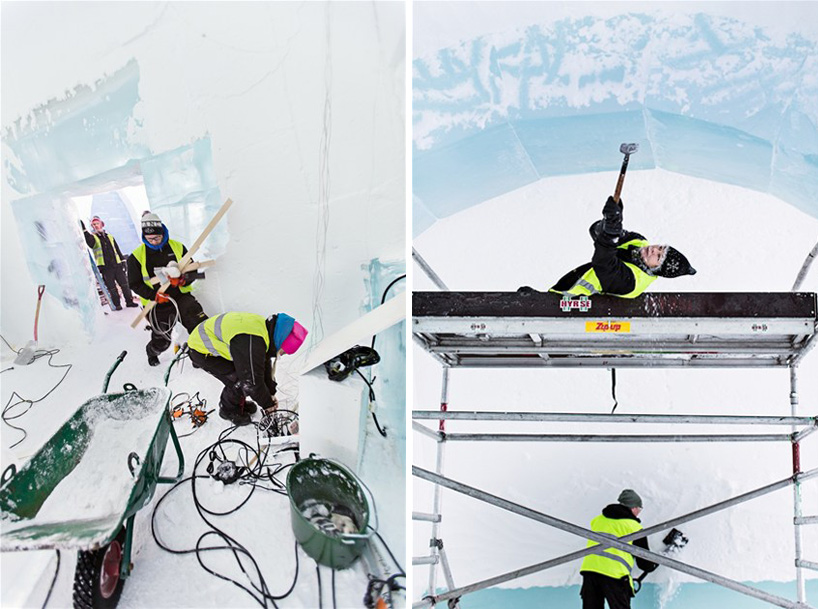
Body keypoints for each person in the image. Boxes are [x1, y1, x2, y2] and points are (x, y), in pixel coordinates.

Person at [547, 196, 696, 298]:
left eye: (658, 257)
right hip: (561, 292)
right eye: (660, 248)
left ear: (657, 269)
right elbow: (596, 231)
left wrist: (611, 234)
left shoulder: (632, 282)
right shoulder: (639, 241)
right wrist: (612, 220)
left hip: (573, 307)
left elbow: (604, 262)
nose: (653, 250)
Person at [186, 312, 308, 426]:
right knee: (238, 380)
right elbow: (251, 383)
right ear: (281, 341)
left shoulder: (264, 331)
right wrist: (267, 404)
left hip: (210, 338)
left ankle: (239, 404)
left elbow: (262, 364)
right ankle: (228, 410)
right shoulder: (252, 342)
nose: (280, 355)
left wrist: (270, 392)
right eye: (283, 352)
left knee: (245, 373)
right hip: (201, 350)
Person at [127, 212, 208, 367]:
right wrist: (154, 295)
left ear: (163, 232)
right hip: (156, 304)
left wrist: (184, 280)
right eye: (150, 239)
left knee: (200, 325)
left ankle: (198, 355)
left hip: (181, 297)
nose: (154, 241)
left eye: (157, 238)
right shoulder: (136, 257)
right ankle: (152, 351)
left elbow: (192, 271)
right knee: (162, 341)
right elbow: (134, 284)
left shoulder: (177, 247)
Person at [579, 489, 658, 609]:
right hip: (615, 576)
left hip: (590, 572)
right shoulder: (634, 528)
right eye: (639, 509)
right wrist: (652, 565)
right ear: (633, 508)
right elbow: (644, 563)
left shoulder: (598, 520)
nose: (639, 513)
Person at [81, 215, 137, 310]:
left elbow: (117, 249)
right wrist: (84, 231)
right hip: (106, 267)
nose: (95, 226)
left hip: (117, 265)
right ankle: (117, 305)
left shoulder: (110, 237)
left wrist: (123, 261)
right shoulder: (94, 238)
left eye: (97, 223)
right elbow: (90, 242)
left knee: (125, 284)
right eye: (93, 224)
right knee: (112, 288)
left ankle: (129, 302)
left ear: (101, 224)